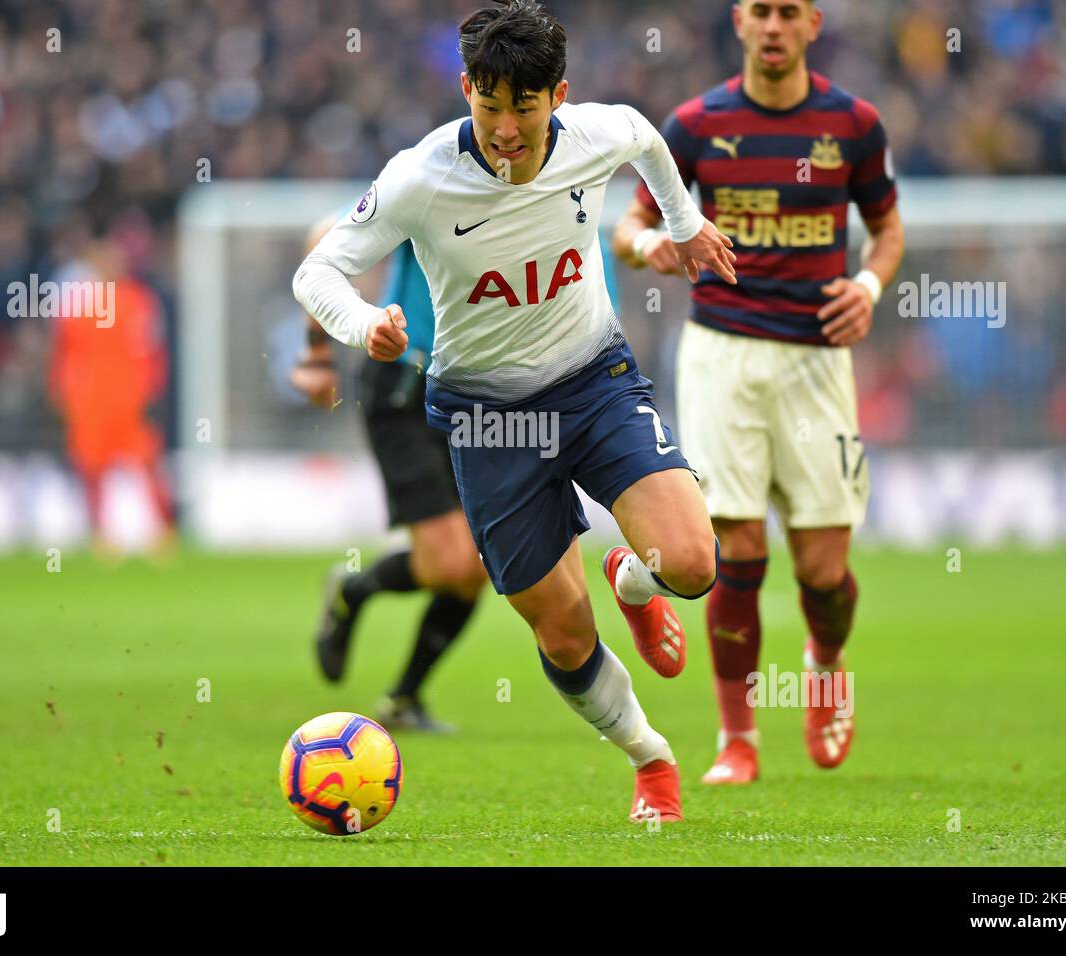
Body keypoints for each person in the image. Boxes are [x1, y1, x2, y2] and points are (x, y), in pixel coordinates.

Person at [294, 0, 738, 823]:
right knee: (564, 637)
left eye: (522, 109)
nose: (503, 128)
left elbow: (644, 133)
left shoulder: (594, 135)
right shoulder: (421, 175)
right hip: (485, 418)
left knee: (693, 562)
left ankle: (634, 583)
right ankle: (653, 760)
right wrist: (364, 327)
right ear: (466, 88)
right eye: (488, 104)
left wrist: (686, 223)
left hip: (593, 382)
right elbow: (317, 272)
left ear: (557, 97)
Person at [613, 0, 905, 785]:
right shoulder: (696, 123)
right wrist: (652, 245)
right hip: (721, 356)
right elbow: (626, 225)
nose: (773, 27)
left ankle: (826, 660)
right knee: (735, 551)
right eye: (759, 12)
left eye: (788, 12)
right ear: (738, 22)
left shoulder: (854, 124)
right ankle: (736, 739)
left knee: (822, 572)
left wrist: (871, 287)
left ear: (812, 24)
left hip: (817, 362)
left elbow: (887, 229)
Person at [296, 211, 627, 733]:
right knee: (454, 564)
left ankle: (402, 698)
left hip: (490, 402)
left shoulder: (568, 211)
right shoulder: (435, 185)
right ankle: (354, 592)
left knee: (478, 564)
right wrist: (318, 350)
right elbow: (325, 240)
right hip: (407, 386)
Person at [48, 239, 176, 551]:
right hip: (90, 403)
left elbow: (153, 352)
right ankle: (100, 536)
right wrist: (62, 393)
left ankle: (164, 533)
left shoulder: (139, 301)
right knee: (92, 469)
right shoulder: (78, 306)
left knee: (147, 463)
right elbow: (65, 356)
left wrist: (153, 392)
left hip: (130, 401)